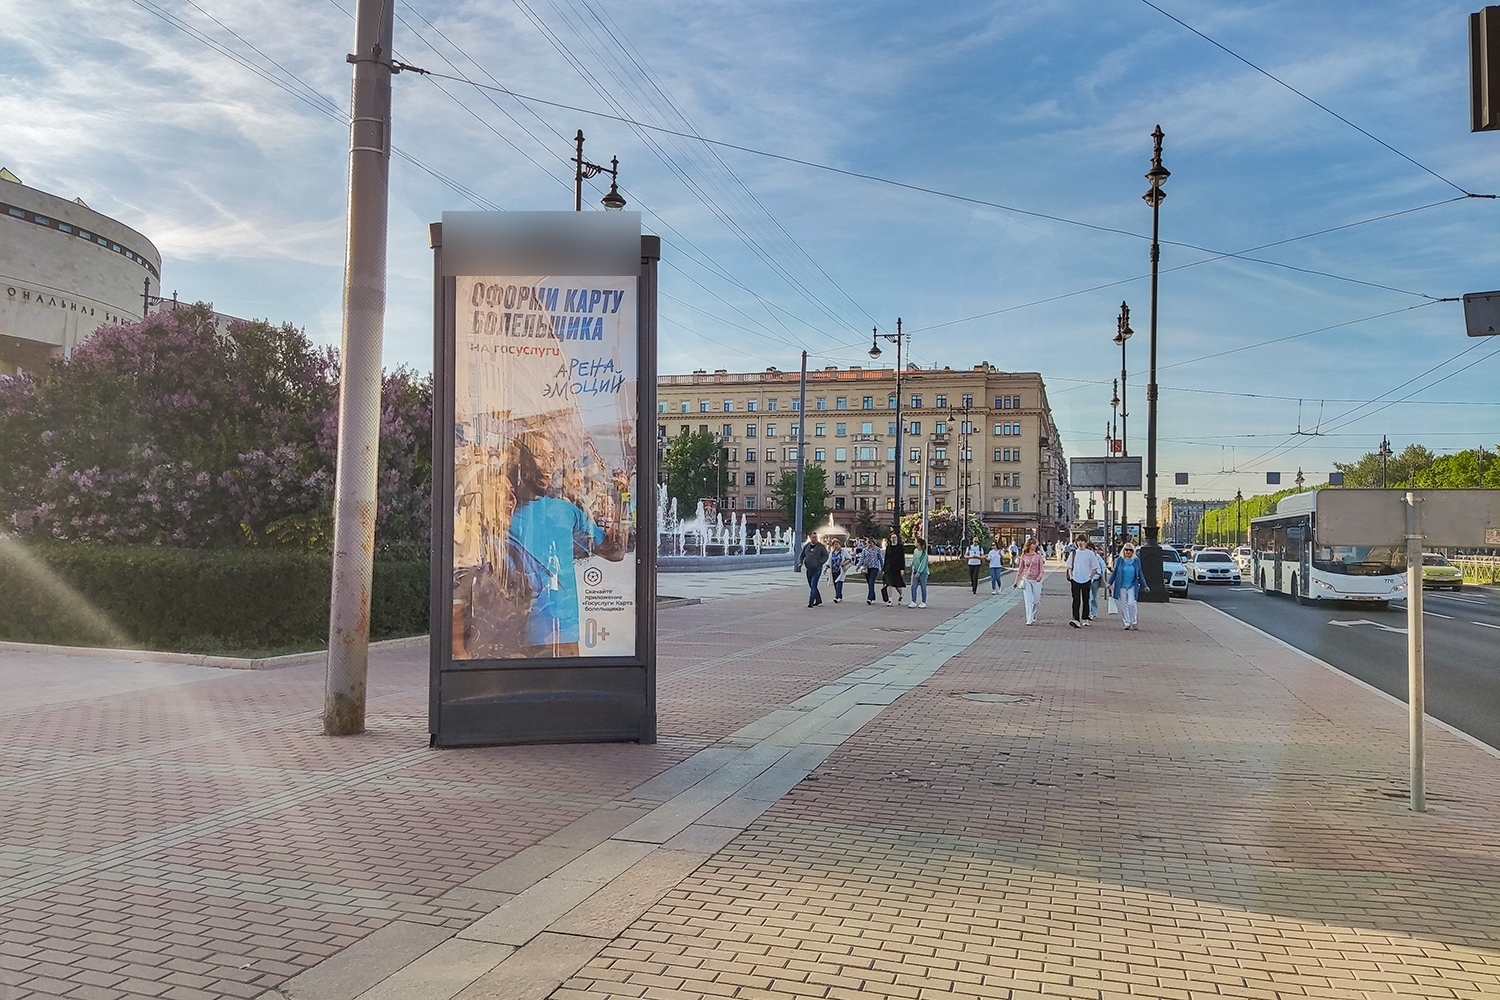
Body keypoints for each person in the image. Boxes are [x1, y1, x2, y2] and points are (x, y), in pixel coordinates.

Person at [506, 432, 627, 656]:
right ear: (520, 459)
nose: (548, 465)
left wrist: (623, 497)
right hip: (516, 636)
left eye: (551, 457)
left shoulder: (565, 511)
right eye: (540, 455)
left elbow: (615, 551)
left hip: (563, 634)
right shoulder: (502, 515)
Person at [1066, 534, 1105, 629]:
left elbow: (1095, 567)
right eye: (1078, 541)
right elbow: (1069, 566)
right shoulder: (1074, 553)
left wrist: (1090, 577)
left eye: (1082, 541)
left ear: (1085, 542)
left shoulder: (1090, 554)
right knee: (1076, 599)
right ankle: (1075, 618)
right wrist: (1071, 576)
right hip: (1075, 579)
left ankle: (1085, 617)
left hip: (1086, 579)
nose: (1080, 543)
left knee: (1086, 599)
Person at [1109, 542, 1146, 629]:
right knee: (1124, 604)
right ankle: (1127, 623)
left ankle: (1134, 621)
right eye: (1126, 550)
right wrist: (1109, 582)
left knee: (1131, 603)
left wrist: (1145, 585)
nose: (1128, 552)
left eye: (1130, 550)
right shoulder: (1119, 560)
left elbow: (1140, 573)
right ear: (1123, 550)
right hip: (1121, 585)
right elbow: (1115, 572)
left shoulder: (1136, 561)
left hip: (1132, 585)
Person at [1013, 538, 1046, 625]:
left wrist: (1040, 576)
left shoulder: (1038, 556)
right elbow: (1020, 569)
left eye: (1035, 544)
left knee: (1036, 601)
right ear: (1029, 545)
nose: (1035, 545)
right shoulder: (1024, 556)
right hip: (1026, 579)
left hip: (1036, 580)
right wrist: (1016, 581)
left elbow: (1042, 569)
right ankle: (1029, 619)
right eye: (1033, 544)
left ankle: (1033, 613)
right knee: (1028, 600)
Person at [797, 532, 828, 608]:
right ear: (810, 537)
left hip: (817, 569)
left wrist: (820, 562)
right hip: (809, 569)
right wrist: (800, 562)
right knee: (811, 586)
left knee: (814, 585)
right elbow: (802, 555)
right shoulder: (807, 546)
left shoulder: (821, 547)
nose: (815, 538)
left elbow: (826, 555)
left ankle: (811, 602)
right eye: (814, 537)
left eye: (816, 537)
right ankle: (818, 600)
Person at [881, 532, 907, 606]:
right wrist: (884, 569)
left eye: (895, 537)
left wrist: (902, 568)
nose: (894, 539)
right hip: (889, 568)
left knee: (897, 585)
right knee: (889, 583)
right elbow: (886, 558)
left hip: (897, 568)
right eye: (892, 537)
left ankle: (901, 595)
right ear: (890, 539)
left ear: (897, 539)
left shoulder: (900, 547)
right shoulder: (888, 547)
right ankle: (890, 600)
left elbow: (902, 558)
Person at [859, 536, 884, 605]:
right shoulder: (865, 550)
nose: (869, 544)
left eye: (871, 543)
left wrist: (883, 567)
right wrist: (858, 566)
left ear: (873, 543)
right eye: (868, 543)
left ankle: (869, 598)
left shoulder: (877, 550)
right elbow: (862, 558)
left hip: (874, 567)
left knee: (871, 582)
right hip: (866, 568)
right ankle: (873, 596)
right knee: (869, 583)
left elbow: (881, 559)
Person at [908, 537, 930, 608]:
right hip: (915, 571)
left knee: (923, 587)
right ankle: (913, 601)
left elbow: (923, 564)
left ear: (919, 543)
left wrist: (919, 572)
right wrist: (912, 566)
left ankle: (923, 602)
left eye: (916, 542)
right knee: (913, 587)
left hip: (923, 572)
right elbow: (914, 560)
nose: (915, 543)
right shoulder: (915, 551)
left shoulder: (924, 553)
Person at [827, 538, 847, 603]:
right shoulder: (832, 553)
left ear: (840, 545)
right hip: (833, 570)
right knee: (835, 584)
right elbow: (829, 561)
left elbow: (849, 558)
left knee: (839, 583)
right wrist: (826, 567)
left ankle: (836, 597)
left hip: (840, 570)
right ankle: (839, 596)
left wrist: (844, 563)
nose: (836, 546)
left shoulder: (843, 552)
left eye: (837, 544)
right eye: (834, 545)